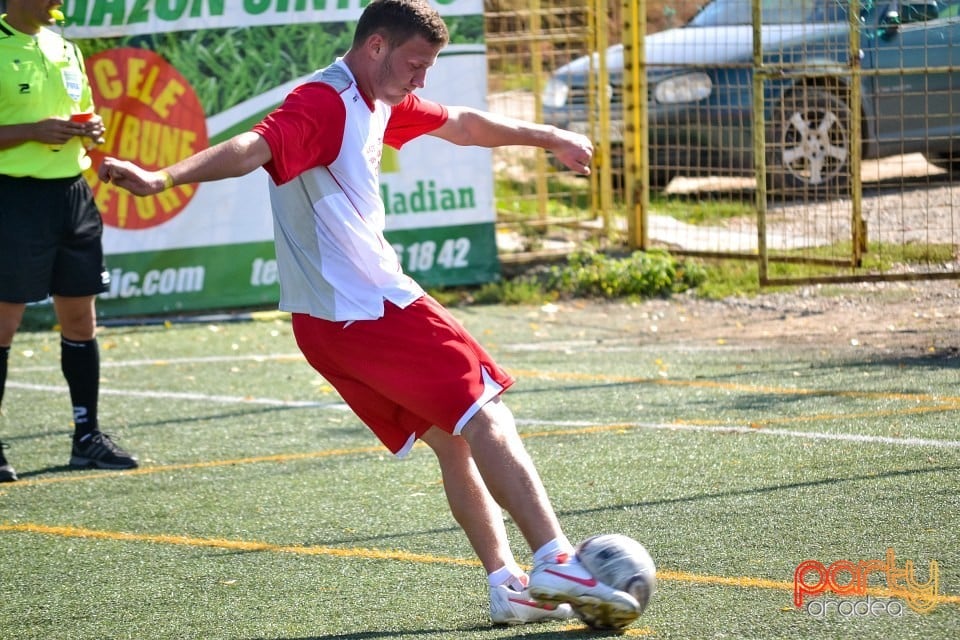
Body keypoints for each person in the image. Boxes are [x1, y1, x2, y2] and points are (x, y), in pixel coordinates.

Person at [99, 0, 640, 629]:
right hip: (370, 305)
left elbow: (462, 123)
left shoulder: (376, 99)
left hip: (325, 325)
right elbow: (255, 145)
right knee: (488, 410)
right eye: (415, 63)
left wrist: (546, 135)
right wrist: (162, 179)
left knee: (456, 440)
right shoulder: (324, 102)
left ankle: (506, 584)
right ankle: (554, 559)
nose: (421, 79)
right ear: (376, 46)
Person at [0, 0, 139, 482]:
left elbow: (85, 118)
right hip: (13, 198)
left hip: (73, 196)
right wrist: (29, 132)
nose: (60, 1)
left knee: (81, 322)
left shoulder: (66, 48)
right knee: (4, 323)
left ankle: (87, 438)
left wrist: (93, 134)